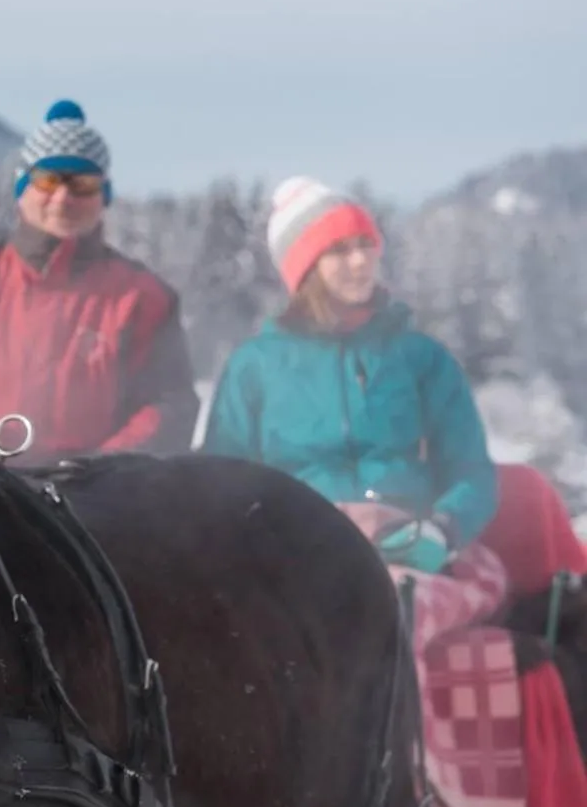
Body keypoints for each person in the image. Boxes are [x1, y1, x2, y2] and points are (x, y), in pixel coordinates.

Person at [201, 176, 497, 571]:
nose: (360, 261)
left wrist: (444, 528)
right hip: (298, 552)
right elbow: (220, 480)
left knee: (401, 610)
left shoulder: (420, 358)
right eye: (339, 250)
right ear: (305, 269)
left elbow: (470, 470)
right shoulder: (255, 366)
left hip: (407, 547)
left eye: (366, 245)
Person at [0, 100, 198, 466]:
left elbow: (171, 406)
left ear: (103, 195)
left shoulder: (143, 297)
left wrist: (97, 470)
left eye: (82, 183)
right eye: (48, 180)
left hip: (93, 500)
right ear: (23, 187)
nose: (63, 197)